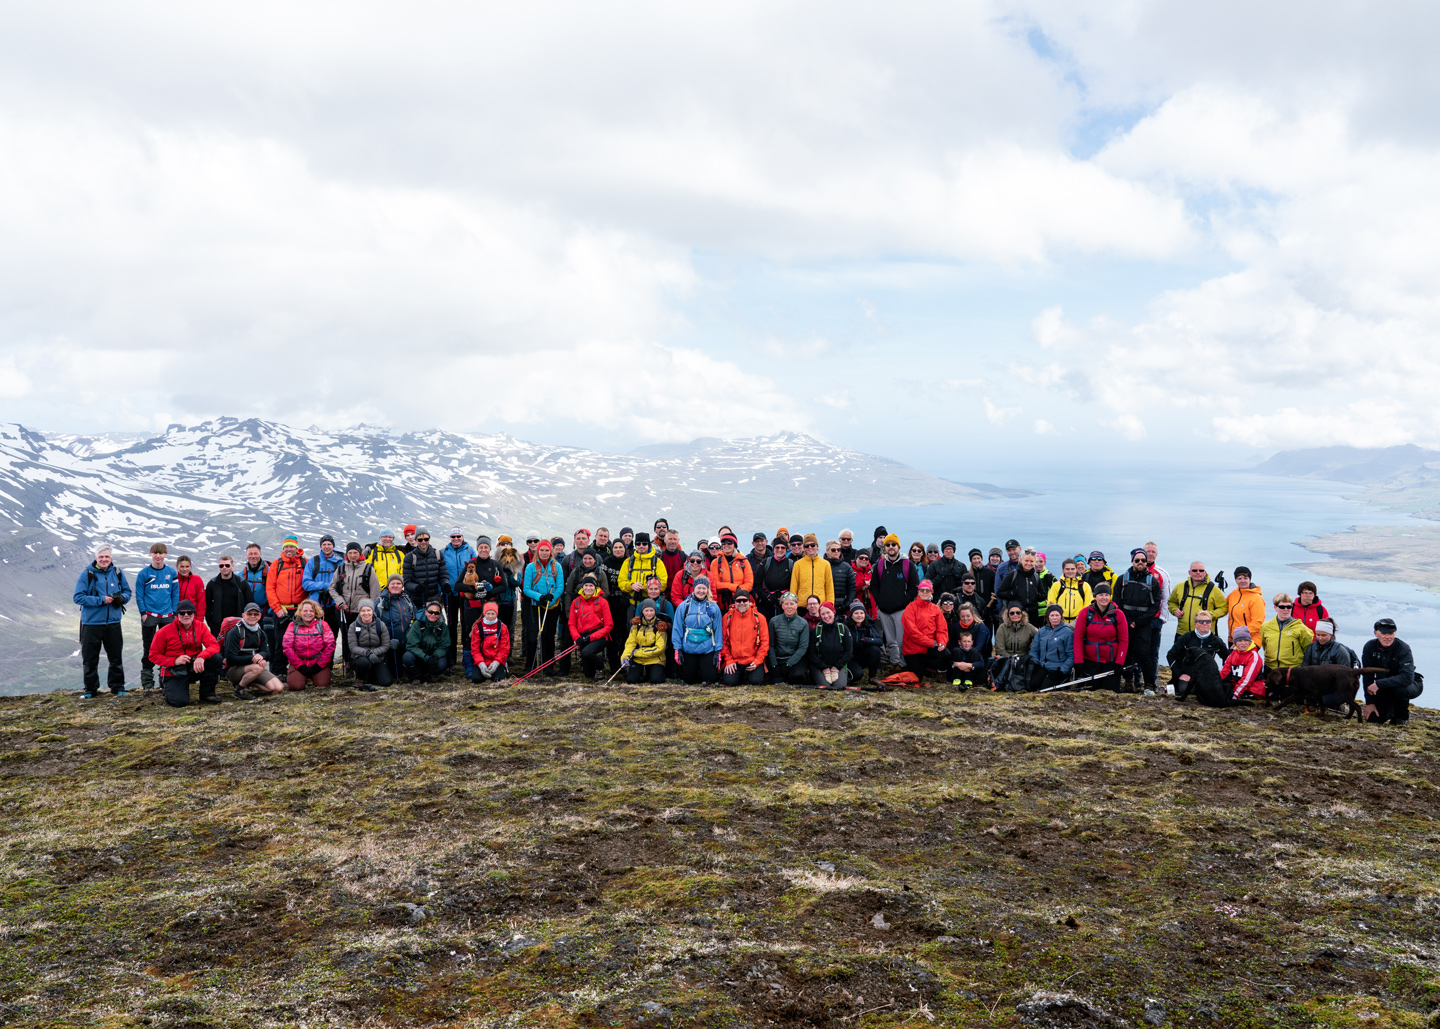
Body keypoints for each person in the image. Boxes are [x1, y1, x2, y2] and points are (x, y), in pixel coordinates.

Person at [74, 544, 132, 698]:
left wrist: (122, 598)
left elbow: (127, 592)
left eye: (106, 556)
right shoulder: (87, 574)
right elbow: (78, 597)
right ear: (96, 558)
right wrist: (101, 600)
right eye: (101, 557)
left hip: (113, 623)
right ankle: (90, 690)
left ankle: (117, 687)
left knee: (116, 657)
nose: (104, 559)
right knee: (90, 659)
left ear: (111, 558)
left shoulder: (118, 573)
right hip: (91, 624)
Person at [150, 599, 221, 707]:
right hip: (174, 670)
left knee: (216, 658)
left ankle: (207, 694)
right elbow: (153, 655)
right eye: (182, 613)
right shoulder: (163, 632)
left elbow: (214, 645)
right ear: (177, 615)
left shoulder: (200, 626)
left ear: (194, 614)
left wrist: (201, 657)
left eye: (189, 612)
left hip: (194, 667)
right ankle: (170, 690)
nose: (186, 615)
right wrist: (174, 661)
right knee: (179, 702)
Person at [1114, 548, 1163, 692]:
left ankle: (1149, 684)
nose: (1140, 562)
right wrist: (1128, 620)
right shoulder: (1122, 579)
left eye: (1143, 560)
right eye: (1137, 560)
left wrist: (1139, 622)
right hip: (1125, 623)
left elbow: (1155, 606)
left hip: (1144, 624)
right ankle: (1128, 681)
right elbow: (1116, 602)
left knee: (1144, 654)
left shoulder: (1152, 582)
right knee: (1126, 653)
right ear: (1132, 561)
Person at [330, 542, 381, 670]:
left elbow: (375, 592)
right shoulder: (341, 568)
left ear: (360, 553)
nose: (352, 555)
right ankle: (347, 663)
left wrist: (367, 608)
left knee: (361, 638)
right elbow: (332, 588)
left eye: (355, 553)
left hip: (361, 613)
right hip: (343, 610)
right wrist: (340, 602)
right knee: (346, 637)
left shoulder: (368, 569)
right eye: (350, 553)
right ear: (347, 554)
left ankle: (359, 664)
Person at [135, 543, 179, 690]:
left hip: (168, 616)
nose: (158, 556)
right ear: (151, 554)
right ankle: (147, 683)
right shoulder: (144, 573)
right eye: (155, 553)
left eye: (161, 553)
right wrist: (143, 613)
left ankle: (164, 680)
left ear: (165, 554)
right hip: (150, 616)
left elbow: (175, 594)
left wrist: (173, 612)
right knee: (148, 648)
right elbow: (139, 595)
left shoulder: (171, 573)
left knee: (167, 648)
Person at [872, 534, 919, 667]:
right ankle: (895, 664)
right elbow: (874, 586)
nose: (891, 547)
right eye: (888, 545)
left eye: (893, 544)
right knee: (891, 641)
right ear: (885, 547)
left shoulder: (907, 564)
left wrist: (904, 601)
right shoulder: (880, 565)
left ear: (898, 546)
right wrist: (880, 601)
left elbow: (914, 587)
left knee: (901, 640)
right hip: (884, 610)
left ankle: (904, 664)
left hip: (902, 610)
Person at [265, 536, 308, 676]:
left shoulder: (305, 563)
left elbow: (308, 584)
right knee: (281, 642)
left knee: (302, 642)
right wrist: (277, 609)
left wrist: (305, 609)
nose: (289, 550)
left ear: (296, 548)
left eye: (291, 547)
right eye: (286, 547)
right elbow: (270, 588)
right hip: (281, 611)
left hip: (300, 610)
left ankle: (301, 670)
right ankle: (279, 672)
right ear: (283, 549)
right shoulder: (277, 564)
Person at [1073, 583, 1128, 691]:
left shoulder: (1118, 614)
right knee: (1091, 692)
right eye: (1101, 595)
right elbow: (1078, 638)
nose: (1104, 598)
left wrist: (1119, 662)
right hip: (1091, 661)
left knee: (1111, 692)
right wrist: (1078, 661)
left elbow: (1124, 640)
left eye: (1107, 595)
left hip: (1111, 662)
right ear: (1095, 596)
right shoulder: (1085, 613)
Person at [1361, 618, 1416, 725]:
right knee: (1374, 718)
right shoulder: (1370, 647)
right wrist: (1370, 702)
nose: (1387, 637)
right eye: (1383, 633)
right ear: (1376, 633)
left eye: (1391, 633)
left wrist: (1379, 684)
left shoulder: (1403, 648)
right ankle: (1390, 711)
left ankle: (1401, 718)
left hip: (1409, 684)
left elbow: (1407, 677)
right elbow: (1367, 676)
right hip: (1385, 687)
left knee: (1400, 690)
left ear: (1395, 633)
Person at [221, 603, 283, 697]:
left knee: (278, 688)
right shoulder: (235, 632)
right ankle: (238, 690)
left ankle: (248, 682)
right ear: (243, 615)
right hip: (234, 670)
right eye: (249, 614)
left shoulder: (260, 632)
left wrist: (261, 656)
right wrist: (252, 658)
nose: (252, 616)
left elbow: (267, 653)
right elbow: (230, 658)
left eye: (256, 614)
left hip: (254, 668)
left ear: (260, 616)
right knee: (257, 668)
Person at [522, 539, 565, 673]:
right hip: (535, 605)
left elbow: (560, 586)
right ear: (538, 551)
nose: (544, 553)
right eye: (542, 550)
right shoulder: (530, 567)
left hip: (552, 607)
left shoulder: (557, 567)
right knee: (532, 635)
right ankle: (530, 664)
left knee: (548, 636)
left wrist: (550, 600)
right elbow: (526, 588)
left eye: (547, 550)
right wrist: (539, 597)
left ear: (550, 551)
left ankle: (549, 665)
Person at [1165, 611, 1228, 703]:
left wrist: (1222, 675)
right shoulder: (1186, 638)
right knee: (1184, 691)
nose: (1205, 624)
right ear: (1195, 624)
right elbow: (1170, 655)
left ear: (1211, 624)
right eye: (1201, 621)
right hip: (1188, 676)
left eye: (1208, 621)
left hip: (1206, 677)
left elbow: (1227, 657)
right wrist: (1179, 674)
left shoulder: (1216, 641)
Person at [672, 576, 723, 684]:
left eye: (704, 588)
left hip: (707, 648)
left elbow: (718, 630)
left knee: (710, 679)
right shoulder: (684, 606)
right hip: (689, 648)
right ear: (694, 589)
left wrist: (718, 650)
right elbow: (677, 628)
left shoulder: (713, 607)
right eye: (698, 588)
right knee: (689, 680)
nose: (701, 591)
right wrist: (678, 649)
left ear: (707, 590)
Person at [567, 574, 614, 679]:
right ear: (582, 587)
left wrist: (591, 637)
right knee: (588, 674)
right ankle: (594, 666)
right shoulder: (576, 602)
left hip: (600, 636)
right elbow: (571, 623)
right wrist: (577, 638)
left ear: (596, 587)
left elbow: (609, 625)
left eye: (591, 586)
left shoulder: (603, 602)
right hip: (583, 637)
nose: (588, 588)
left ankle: (600, 666)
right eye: (586, 585)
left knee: (586, 653)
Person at [901, 580, 949, 681]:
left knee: (946, 654)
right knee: (917, 679)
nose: (925, 592)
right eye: (922, 590)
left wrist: (942, 642)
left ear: (932, 592)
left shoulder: (935, 609)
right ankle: (923, 669)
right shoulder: (910, 608)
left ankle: (939, 673)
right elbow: (912, 632)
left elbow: (942, 629)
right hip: (913, 650)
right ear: (918, 592)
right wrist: (931, 643)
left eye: (928, 590)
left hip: (929, 648)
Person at [282, 599, 336, 690]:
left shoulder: (323, 625)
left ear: (315, 612)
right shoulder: (292, 625)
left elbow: (330, 646)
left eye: (311, 611)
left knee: (322, 684)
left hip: (318, 662)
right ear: (300, 612)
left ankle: (316, 675)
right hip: (299, 661)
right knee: (296, 686)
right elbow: (287, 647)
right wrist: (300, 666)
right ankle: (300, 676)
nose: (308, 613)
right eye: (305, 611)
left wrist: (319, 665)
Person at [441, 529, 477, 662]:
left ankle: (466, 656)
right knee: (451, 624)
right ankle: (451, 658)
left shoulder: (470, 551)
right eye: (453, 536)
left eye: (458, 536)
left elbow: (475, 570)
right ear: (450, 538)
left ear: (462, 537)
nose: (456, 538)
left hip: (465, 594)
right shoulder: (443, 552)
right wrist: (442, 589)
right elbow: (441, 572)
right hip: (449, 594)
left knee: (466, 623)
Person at [720, 589, 769, 686]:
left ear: (749, 601)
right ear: (734, 602)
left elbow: (765, 643)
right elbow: (723, 641)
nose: (741, 603)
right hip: (734, 660)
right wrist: (728, 660)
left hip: (752, 659)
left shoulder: (759, 618)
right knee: (729, 682)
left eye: (744, 600)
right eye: (738, 601)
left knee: (756, 682)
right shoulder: (727, 617)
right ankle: (738, 675)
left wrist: (757, 661)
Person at [1168, 561, 1229, 639]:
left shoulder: (1213, 589)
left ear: (1205, 572)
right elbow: (1172, 602)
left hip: (1205, 635)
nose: (1198, 572)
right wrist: (1175, 610)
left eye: (1201, 570)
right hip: (1182, 633)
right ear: (1189, 572)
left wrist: (1209, 615)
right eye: (1194, 570)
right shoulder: (1180, 587)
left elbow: (1224, 608)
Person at [375, 575, 416, 683]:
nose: (395, 586)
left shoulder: (407, 600)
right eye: (392, 583)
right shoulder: (379, 603)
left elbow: (415, 619)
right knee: (388, 678)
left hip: (405, 645)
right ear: (388, 585)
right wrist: (386, 642)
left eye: (398, 583)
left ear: (402, 585)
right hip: (388, 648)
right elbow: (373, 627)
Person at [301, 535, 342, 643]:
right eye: (324, 544)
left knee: (332, 636)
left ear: (333, 546)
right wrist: (324, 586)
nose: (326, 547)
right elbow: (306, 584)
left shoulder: (340, 562)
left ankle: (329, 660)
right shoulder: (312, 561)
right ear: (320, 546)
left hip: (334, 605)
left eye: (329, 544)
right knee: (315, 637)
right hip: (316, 606)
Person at [347, 599, 393, 690]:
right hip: (360, 658)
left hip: (377, 658)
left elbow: (385, 645)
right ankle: (361, 679)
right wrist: (368, 653)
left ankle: (371, 676)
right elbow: (353, 647)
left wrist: (373, 653)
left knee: (386, 682)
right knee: (363, 662)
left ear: (373, 611)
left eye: (368, 610)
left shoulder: (381, 625)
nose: (366, 613)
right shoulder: (353, 626)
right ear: (359, 612)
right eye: (363, 611)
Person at [621, 598, 670, 684]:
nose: (649, 613)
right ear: (642, 611)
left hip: (655, 659)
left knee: (656, 680)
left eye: (651, 610)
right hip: (638, 659)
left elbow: (660, 648)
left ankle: (654, 672)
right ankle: (644, 673)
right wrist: (625, 657)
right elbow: (630, 643)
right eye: (646, 610)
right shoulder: (636, 625)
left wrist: (637, 653)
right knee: (631, 680)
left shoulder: (660, 626)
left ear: (655, 611)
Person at [1260, 593, 1313, 670]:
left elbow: (1308, 651)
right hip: (1271, 669)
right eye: (1282, 607)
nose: (1286, 610)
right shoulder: (1265, 627)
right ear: (1275, 607)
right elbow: (1265, 646)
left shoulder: (1301, 628)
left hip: (1292, 670)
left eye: (1289, 607)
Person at [1143, 541, 1171, 684]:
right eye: (1148, 551)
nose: (1150, 554)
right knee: (1137, 652)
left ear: (1157, 554)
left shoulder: (1162, 573)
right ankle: (1135, 680)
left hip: (1155, 620)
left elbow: (1166, 598)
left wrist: (1162, 619)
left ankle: (1152, 681)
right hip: (1138, 621)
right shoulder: (1134, 572)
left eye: (1153, 551)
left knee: (1153, 653)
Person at [204, 555, 253, 638]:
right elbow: (207, 605)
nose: (224, 567)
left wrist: (246, 621)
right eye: (221, 565)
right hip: (217, 626)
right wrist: (211, 623)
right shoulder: (212, 583)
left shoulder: (241, 583)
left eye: (227, 565)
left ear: (232, 566)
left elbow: (249, 603)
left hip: (238, 624)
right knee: (218, 650)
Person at [768, 592, 811, 685]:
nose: (789, 606)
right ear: (782, 606)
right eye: (786, 604)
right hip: (779, 658)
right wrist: (774, 664)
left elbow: (803, 647)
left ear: (796, 605)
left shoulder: (803, 623)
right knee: (776, 681)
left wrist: (789, 664)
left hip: (795, 659)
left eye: (792, 604)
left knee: (797, 676)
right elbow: (770, 644)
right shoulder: (774, 621)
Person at [618, 532, 668, 612]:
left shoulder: (657, 562)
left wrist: (645, 587)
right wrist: (631, 586)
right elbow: (621, 582)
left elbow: (663, 583)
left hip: (652, 605)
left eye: (644, 543)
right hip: (632, 604)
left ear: (648, 545)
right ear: (635, 545)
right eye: (638, 543)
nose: (641, 546)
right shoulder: (628, 562)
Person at [1028, 606, 1074, 691]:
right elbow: (1034, 650)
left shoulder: (1067, 632)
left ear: (1061, 616)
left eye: (1057, 615)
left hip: (1058, 669)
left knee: (1045, 690)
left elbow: (1071, 655)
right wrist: (1037, 663)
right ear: (1048, 617)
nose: (1055, 618)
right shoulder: (1042, 631)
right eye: (1052, 615)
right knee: (1031, 686)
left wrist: (1062, 670)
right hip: (1043, 666)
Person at [810, 601, 853, 690]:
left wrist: (837, 667)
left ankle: (843, 675)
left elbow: (848, 652)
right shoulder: (816, 631)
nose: (826, 616)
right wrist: (824, 668)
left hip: (838, 666)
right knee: (826, 688)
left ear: (833, 612)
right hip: (820, 666)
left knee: (839, 687)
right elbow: (811, 653)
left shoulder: (843, 629)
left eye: (828, 612)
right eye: (823, 614)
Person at [603, 540, 631, 671]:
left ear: (624, 549)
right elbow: (602, 582)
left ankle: (624, 663)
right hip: (610, 603)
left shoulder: (630, 562)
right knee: (612, 634)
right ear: (612, 549)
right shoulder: (606, 563)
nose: (618, 549)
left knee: (625, 633)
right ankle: (613, 664)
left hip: (626, 602)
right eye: (616, 547)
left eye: (621, 547)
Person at [403, 529, 448, 611]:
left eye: (426, 539)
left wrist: (445, 583)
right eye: (420, 540)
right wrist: (417, 587)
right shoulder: (409, 557)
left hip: (434, 599)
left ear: (429, 539)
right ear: (416, 540)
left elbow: (443, 575)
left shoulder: (437, 554)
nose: (423, 542)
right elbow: (406, 582)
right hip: (416, 600)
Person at [1218, 627, 1265, 705]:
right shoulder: (1232, 655)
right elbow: (1224, 673)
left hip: (1253, 691)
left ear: (1250, 641)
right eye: (1239, 640)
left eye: (1246, 640)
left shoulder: (1254, 657)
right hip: (1238, 688)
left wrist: (1235, 695)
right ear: (1235, 643)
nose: (1243, 643)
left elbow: (1247, 680)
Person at [404, 602, 450, 682]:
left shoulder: (443, 627)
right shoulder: (417, 624)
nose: (433, 615)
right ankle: (415, 676)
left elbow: (444, 645)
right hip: (419, 655)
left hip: (434, 656)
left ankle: (432, 675)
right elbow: (411, 645)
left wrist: (435, 656)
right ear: (425, 612)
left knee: (442, 664)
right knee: (407, 657)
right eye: (430, 612)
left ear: (439, 615)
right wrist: (425, 657)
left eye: (436, 613)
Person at [998, 550, 1045, 627]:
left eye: (1031, 561)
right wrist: (1012, 593)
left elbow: (1043, 595)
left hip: (1032, 615)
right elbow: (1000, 593)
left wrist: (1035, 594)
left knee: (1032, 638)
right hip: (1016, 614)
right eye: (1026, 560)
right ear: (1021, 560)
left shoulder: (1036, 577)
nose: (1028, 563)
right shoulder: (1012, 575)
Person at [468, 602, 512, 683]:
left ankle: (502, 669)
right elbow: (475, 649)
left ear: (497, 614)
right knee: (476, 679)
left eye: (493, 613)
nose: (490, 616)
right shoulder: (478, 627)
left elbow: (505, 649)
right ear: (484, 614)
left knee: (498, 679)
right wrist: (481, 664)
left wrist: (496, 663)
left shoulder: (502, 627)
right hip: (482, 661)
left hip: (497, 661)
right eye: (488, 613)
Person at [709, 533, 753, 611]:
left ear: (735, 545)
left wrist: (738, 593)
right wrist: (735, 588)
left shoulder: (744, 561)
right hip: (723, 605)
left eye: (729, 543)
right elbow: (715, 583)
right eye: (724, 543)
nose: (726, 545)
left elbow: (749, 583)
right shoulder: (715, 562)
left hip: (741, 603)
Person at [789, 533, 835, 605]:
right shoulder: (798, 564)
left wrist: (830, 605)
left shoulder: (825, 564)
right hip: (802, 605)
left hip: (820, 605)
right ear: (804, 548)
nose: (810, 547)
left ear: (817, 546)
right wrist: (793, 606)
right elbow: (793, 588)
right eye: (807, 545)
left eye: (813, 545)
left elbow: (829, 588)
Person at [846, 602, 885, 685]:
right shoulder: (846, 626)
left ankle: (872, 677)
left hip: (861, 656)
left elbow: (880, 641)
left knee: (875, 649)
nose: (859, 615)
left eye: (861, 613)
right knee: (857, 675)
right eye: (856, 613)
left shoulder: (868, 625)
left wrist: (865, 640)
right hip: (849, 658)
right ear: (851, 615)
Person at [1225, 566, 1266, 644]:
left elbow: (1257, 623)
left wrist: (1241, 637)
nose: (1242, 581)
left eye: (1245, 578)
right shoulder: (1234, 594)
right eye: (1239, 578)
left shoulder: (1256, 598)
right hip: (1233, 639)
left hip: (1249, 640)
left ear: (1249, 579)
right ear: (1236, 580)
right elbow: (1223, 607)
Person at [1045, 559, 1093, 625]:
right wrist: (1057, 619)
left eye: (1072, 569)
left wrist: (1079, 619)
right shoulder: (1056, 585)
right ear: (1063, 570)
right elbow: (1051, 604)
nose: (1070, 571)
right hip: (1060, 622)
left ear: (1076, 569)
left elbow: (1088, 605)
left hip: (1079, 622)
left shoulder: (1084, 586)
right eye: (1067, 569)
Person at [757, 539, 794, 620]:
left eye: (782, 547)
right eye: (777, 547)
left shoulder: (791, 564)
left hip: (785, 605)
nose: (780, 550)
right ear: (773, 549)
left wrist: (785, 597)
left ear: (786, 549)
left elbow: (794, 584)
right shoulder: (765, 563)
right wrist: (767, 597)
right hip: (766, 604)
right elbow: (757, 584)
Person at [496, 539, 523, 634]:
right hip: (497, 600)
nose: (508, 558)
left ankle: (509, 648)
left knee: (509, 628)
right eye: (502, 544)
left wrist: (509, 574)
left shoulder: (518, 566)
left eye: (510, 555)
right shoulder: (495, 563)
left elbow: (517, 583)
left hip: (510, 600)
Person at [173, 555, 207, 626]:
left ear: (190, 567)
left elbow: (201, 602)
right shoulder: (173, 580)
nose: (184, 569)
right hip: (175, 619)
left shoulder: (197, 580)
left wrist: (199, 620)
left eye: (187, 566)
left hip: (192, 619)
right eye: (182, 566)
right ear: (177, 567)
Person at [825, 540, 857, 609]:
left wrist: (847, 604)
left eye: (838, 550)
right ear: (827, 551)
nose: (836, 552)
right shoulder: (822, 566)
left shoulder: (846, 567)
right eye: (833, 550)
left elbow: (852, 588)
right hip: (825, 604)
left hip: (842, 605)